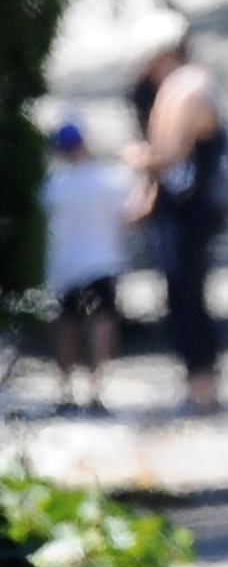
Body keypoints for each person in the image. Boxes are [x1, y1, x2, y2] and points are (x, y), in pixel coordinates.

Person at [127, 30, 228, 414]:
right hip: (180, 210)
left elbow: (170, 153)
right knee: (181, 294)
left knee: (187, 295)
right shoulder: (175, 88)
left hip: (190, 211)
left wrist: (139, 157)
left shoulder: (187, 89)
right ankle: (198, 381)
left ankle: (203, 383)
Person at [41, 118, 131, 414]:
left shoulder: (52, 186)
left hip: (65, 267)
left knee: (66, 324)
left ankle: (64, 389)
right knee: (101, 322)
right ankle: (95, 387)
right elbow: (128, 213)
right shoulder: (110, 180)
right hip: (100, 262)